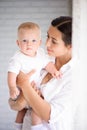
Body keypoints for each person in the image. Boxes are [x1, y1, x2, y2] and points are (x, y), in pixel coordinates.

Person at [9, 16, 76, 130]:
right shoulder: (42, 58)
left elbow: (49, 114)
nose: (46, 44)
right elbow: (13, 104)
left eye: (54, 41)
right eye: (47, 37)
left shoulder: (76, 76)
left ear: (70, 46)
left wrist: (25, 85)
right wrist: (21, 97)